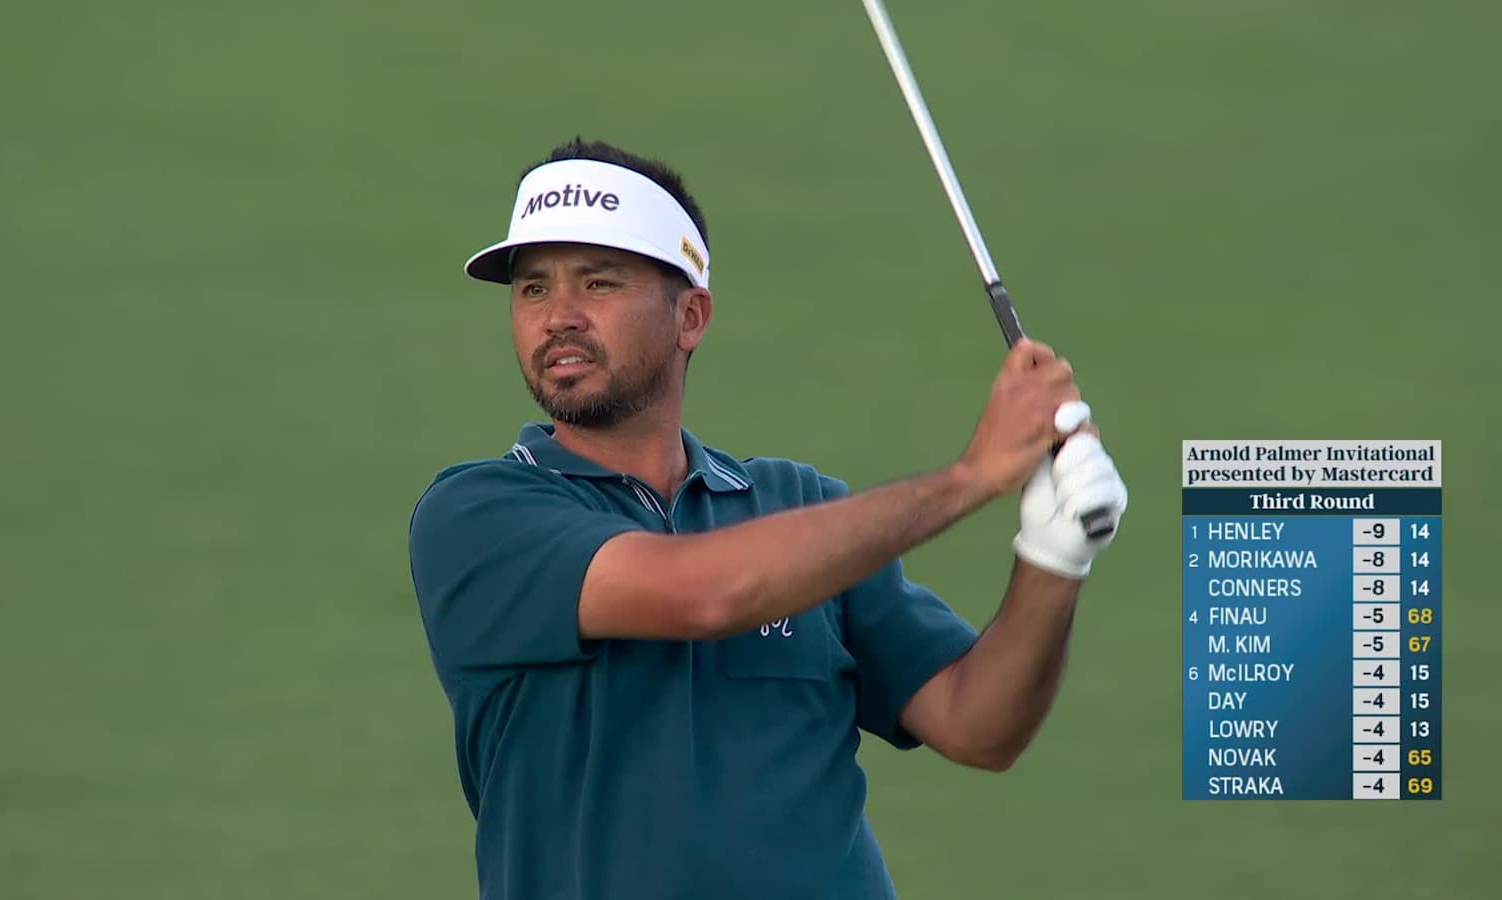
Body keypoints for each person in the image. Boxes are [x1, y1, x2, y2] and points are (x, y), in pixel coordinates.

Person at [408, 137, 1129, 900]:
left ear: (690, 316)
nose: (558, 317)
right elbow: (706, 594)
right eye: (532, 290)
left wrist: (1054, 558)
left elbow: (979, 725)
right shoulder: (477, 516)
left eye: (598, 282)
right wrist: (972, 478)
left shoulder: (799, 505)